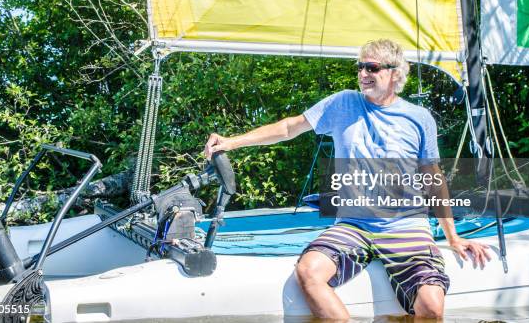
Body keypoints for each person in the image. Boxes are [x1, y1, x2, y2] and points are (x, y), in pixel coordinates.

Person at [204, 39, 491, 320]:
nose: (363, 74)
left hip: (407, 225)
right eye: (360, 67)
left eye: (372, 67)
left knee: (431, 307)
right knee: (308, 272)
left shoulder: (419, 117)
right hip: (354, 225)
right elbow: (290, 127)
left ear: (395, 73)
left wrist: (452, 237)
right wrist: (232, 142)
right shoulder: (343, 103)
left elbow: (433, 178)